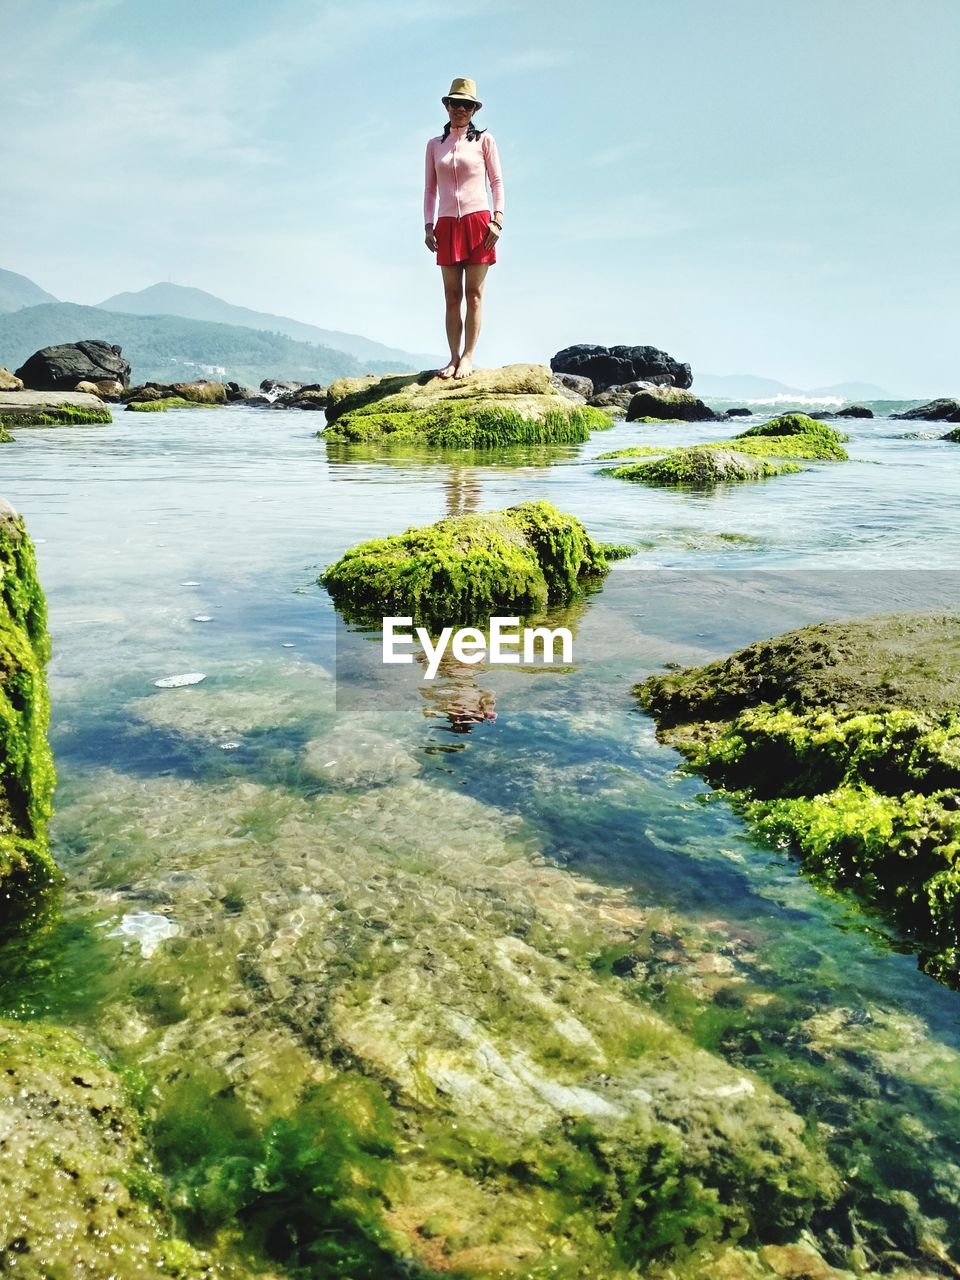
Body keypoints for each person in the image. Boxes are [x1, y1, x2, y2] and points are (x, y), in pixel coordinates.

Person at [423, 77, 504, 380]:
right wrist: (428, 225)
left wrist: (498, 219)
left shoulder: (485, 141)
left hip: (479, 221)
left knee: (474, 294)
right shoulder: (434, 145)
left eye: (466, 104)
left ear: (473, 110)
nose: (460, 109)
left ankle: (469, 357)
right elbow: (430, 190)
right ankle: (453, 358)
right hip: (446, 224)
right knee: (451, 295)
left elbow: (496, 182)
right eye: (455, 103)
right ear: (447, 106)